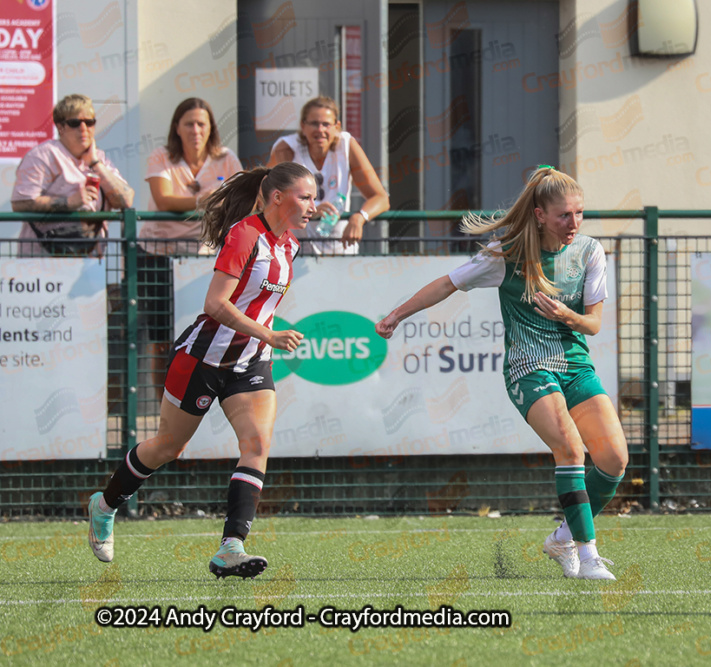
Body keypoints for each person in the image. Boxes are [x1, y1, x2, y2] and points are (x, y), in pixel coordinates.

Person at [376, 166, 628, 580]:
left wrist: (568, 314)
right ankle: (588, 557)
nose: (574, 223)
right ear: (540, 214)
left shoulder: (589, 251)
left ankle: (563, 537)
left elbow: (595, 324)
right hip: (528, 369)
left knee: (615, 460)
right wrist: (397, 315)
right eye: (564, 215)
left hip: (576, 366)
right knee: (570, 449)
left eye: (579, 213)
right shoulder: (505, 253)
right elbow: (447, 284)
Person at [86, 162, 314, 579]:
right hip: (202, 359)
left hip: (250, 363)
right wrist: (269, 332)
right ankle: (104, 506)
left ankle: (231, 547)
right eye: (306, 196)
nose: (312, 205)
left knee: (257, 444)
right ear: (278, 197)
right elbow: (215, 304)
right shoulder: (245, 235)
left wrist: (263, 339)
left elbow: (255, 304)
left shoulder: (290, 245)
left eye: (314, 197)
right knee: (169, 446)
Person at [140, 98, 243, 398]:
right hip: (157, 256)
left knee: (200, 335)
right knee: (161, 338)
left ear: (211, 127)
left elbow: (240, 201)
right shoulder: (161, 156)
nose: (196, 130)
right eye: (189, 123)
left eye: (202, 123)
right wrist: (208, 199)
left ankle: (195, 403)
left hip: (204, 259)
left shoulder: (226, 157)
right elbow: (163, 200)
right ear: (177, 127)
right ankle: (164, 407)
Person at [11, 94, 134, 256]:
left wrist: (96, 164)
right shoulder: (42, 155)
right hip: (44, 260)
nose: (84, 129)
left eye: (89, 122)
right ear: (61, 127)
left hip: (90, 261)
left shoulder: (100, 158)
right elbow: (21, 203)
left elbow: (126, 200)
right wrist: (69, 202)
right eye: (75, 123)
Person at [266, 95, 388, 255]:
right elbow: (268, 198)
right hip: (295, 250)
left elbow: (381, 198)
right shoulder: (287, 148)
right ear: (303, 126)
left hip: (340, 250)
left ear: (337, 126)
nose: (320, 130)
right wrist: (309, 210)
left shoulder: (346, 145)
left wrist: (359, 217)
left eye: (326, 124)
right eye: (314, 124)